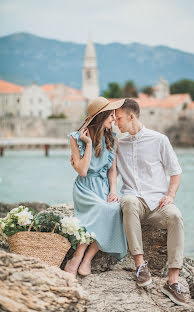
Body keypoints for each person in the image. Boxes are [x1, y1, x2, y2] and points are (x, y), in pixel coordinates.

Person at [115, 98, 186, 306]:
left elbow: (176, 171)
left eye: (119, 118)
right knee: (127, 200)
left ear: (131, 116)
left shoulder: (159, 140)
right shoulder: (120, 144)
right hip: (134, 201)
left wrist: (170, 195)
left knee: (176, 216)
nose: (116, 122)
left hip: (157, 203)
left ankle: (172, 281)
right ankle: (140, 266)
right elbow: (109, 172)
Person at [65, 97, 127, 277]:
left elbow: (112, 170)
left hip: (104, 186)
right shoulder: (75, 138)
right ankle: (76, 257)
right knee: (101, 209)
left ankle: (86, 259)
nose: (114, 119)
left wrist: (113, 191)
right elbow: (83, 171)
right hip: (85, 188)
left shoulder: (113, 138)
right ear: (101, 117)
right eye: (111, 116)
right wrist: (89, 144)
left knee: (115, 209)